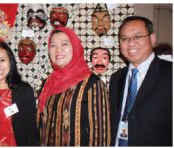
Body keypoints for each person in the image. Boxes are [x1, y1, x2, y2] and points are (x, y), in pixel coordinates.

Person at [37, 27, 110, 146]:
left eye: (64, 44)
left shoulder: (92, 83)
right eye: (53, 45)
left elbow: (100, 135)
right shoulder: (47, 83)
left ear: (75, 47)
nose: (58, 50)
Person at [109, 16, 172, 146]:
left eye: (137, 37)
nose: (130, 43)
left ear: (152, 38)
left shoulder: (170, 73)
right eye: (124, 39)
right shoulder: (116, 78)